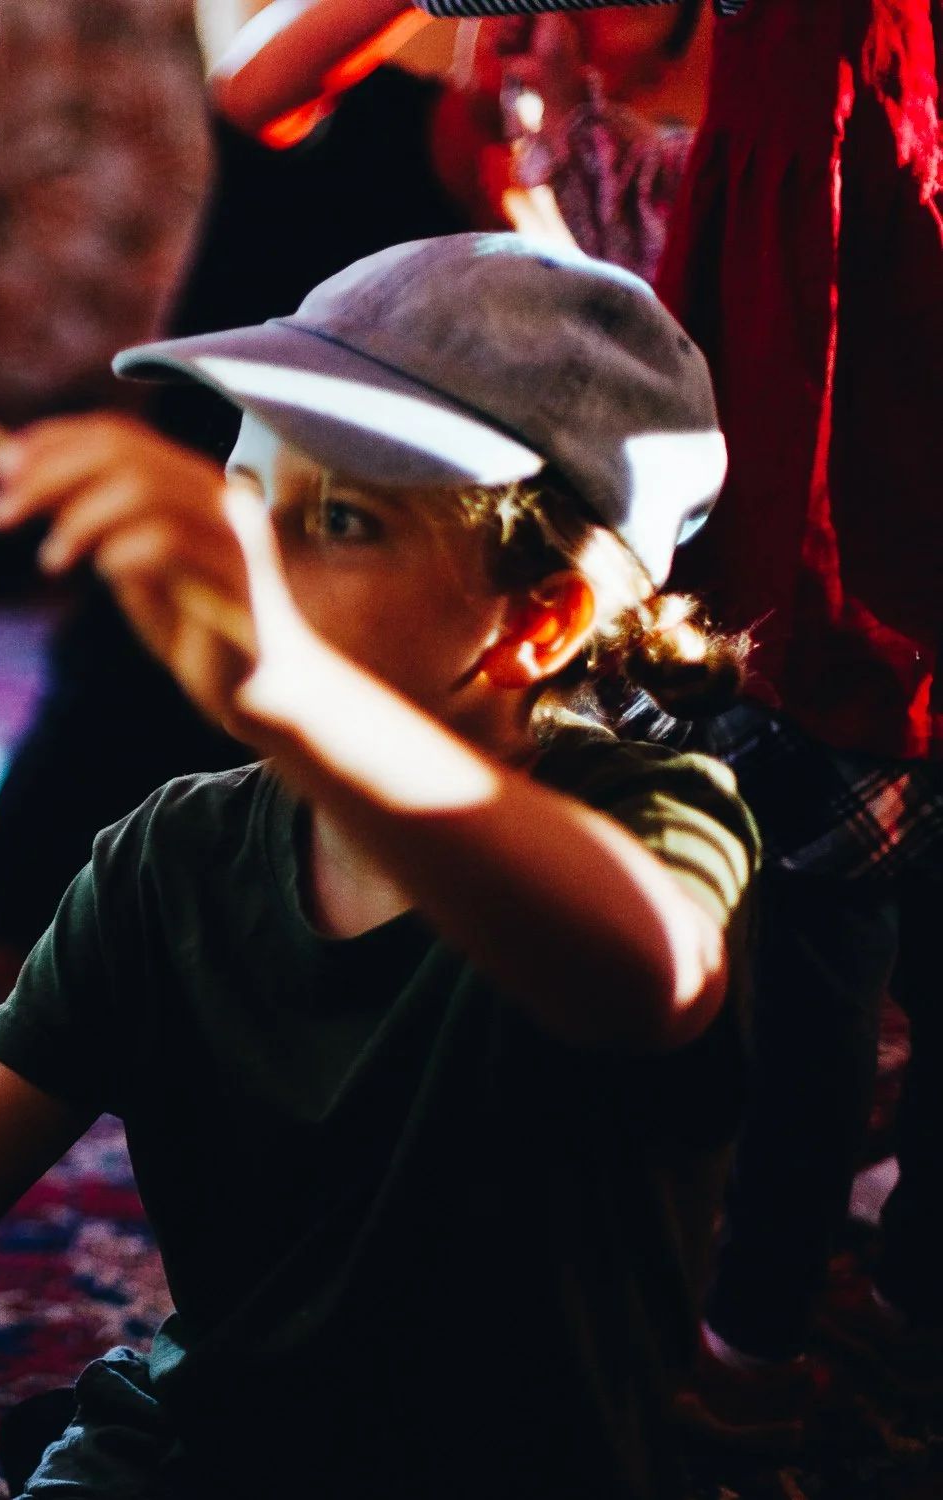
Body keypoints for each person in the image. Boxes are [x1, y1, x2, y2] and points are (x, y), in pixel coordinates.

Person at [0, 234, 756, 1496]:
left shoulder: (650, 822)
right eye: (239, 496)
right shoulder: (174, 855)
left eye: (339, 520)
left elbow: (644, 972)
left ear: (537, 620)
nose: (243, 556)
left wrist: (294, 686)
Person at [0, 0, 707, 987]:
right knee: (68, 876)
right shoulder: (367, 120)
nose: (551, 23)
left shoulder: (614, 242)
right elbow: (250, 90)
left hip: (395, 682)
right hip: (157, 628)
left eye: (617, 9)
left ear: (665, 63)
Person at [641, 0, 943, 1444]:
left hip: (852, 564)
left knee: (823, 962)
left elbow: (795, 320)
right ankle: (909, 1293)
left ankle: (755, 1333)